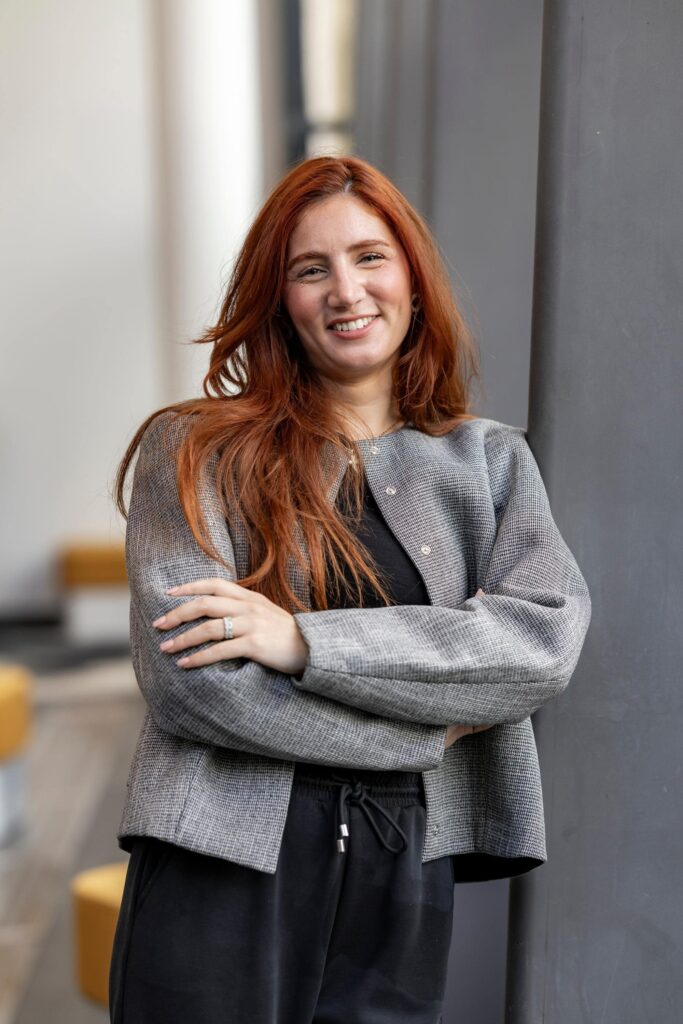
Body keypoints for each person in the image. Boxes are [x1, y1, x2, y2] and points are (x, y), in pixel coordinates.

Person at [109, 155, 591, 1024]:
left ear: (413, 279)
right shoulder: (193, 452)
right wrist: (421, 735)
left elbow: (538, 646)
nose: (346, 290)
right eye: (310, 269)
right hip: (219, 863)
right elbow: (192, 684)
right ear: (278, 299)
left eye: (370, 257)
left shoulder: (488, 463)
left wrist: (303, 644)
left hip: (403, 869)